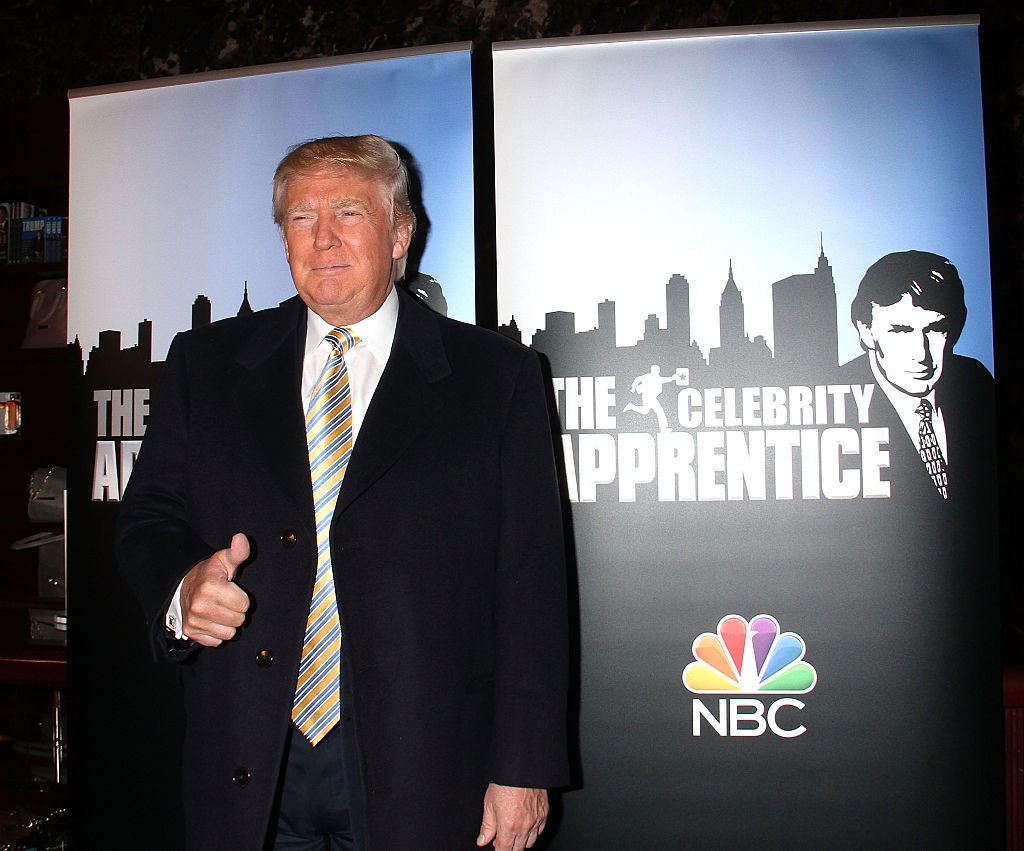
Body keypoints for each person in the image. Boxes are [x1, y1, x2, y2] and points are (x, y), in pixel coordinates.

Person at [115, 135, 569, 851]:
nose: (321, 237)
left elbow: (531, 589)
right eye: (300, 217)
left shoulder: (496, 377)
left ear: (400, 234)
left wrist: (522, 767)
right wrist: (183, 584)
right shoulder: (207, 365)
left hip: (426, 761)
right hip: (249, 759)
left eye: (348, 212)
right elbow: (147, 519)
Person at [839, 249, 995, 507]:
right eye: (901, 330)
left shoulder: (975, 381)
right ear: (866, 332)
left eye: (936, 329)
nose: (921, 354)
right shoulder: (834, 395)